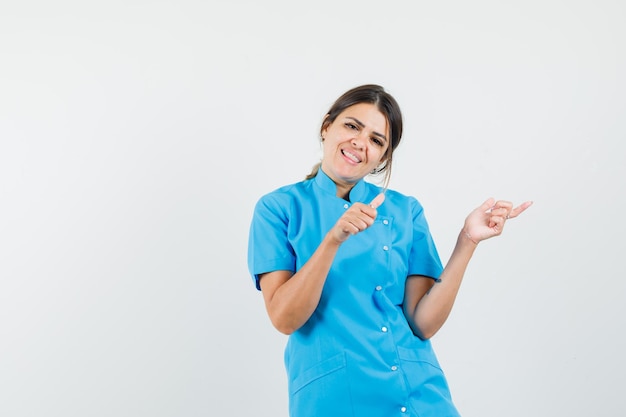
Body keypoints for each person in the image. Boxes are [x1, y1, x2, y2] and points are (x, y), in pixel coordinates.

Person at [247, 84, 532, 417]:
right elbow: (284, 317)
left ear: (382, 158)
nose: (360, 142)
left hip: (417, 392)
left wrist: (467, 240)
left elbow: (422, 323)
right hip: (336, 396)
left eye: (376, 140)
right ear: (327, 127)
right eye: (352, 126)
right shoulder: (278, 208)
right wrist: (333, 239)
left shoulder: (404, 210)